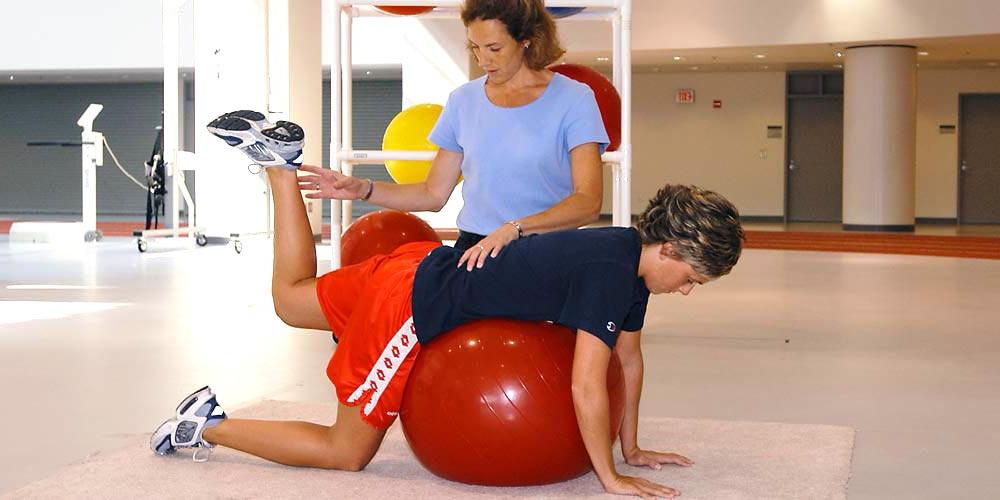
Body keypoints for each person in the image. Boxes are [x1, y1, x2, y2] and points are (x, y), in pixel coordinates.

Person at [151, 113, 745, 499]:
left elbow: (631, 363)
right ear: (669, 247)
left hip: (419, 265)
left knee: (289, 301)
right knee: (346, 452)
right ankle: (206, 425)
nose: (688, 289)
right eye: (692, 276)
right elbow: (590, 383)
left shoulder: (624, 257)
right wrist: (610, 476)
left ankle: (281, 170)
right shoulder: (610, 274)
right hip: (413, 306)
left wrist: (633, 445)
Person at [299, 0, 609, 271]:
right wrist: (362, 189)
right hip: (475, 251)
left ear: (526, 39)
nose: (483, 60)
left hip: (547, 251)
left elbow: (588, 202)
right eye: (475, 47)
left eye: (494, 48)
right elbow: (433, 194)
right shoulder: (463, 101)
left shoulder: (574, 99)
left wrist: (514, 228)